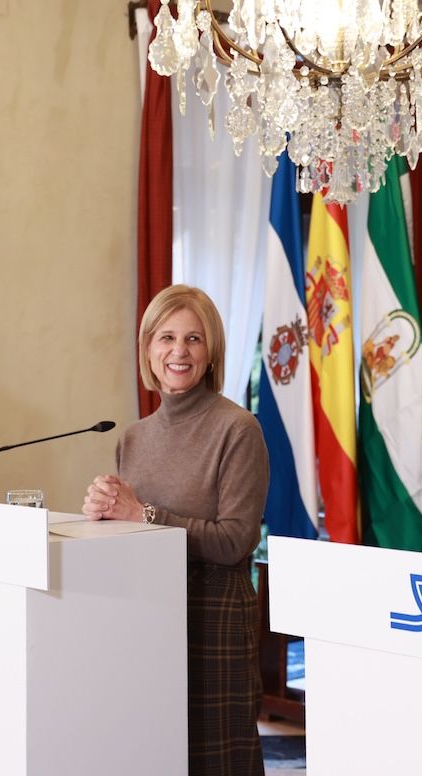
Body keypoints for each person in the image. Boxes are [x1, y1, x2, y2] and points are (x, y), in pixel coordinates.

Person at [82, 285, 269, 776]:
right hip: (145, 613)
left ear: (212, 354)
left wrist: (141, 513)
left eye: (193, 339)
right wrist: (102, 511)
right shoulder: (132, 436)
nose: (178, 352)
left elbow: (234, 541)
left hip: (213, 616)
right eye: (165, 338)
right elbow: (132, 528)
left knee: (216, 760)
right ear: (148, 349)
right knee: (154, 753)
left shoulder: (238, 429)